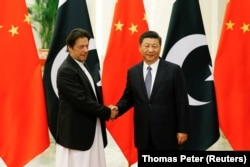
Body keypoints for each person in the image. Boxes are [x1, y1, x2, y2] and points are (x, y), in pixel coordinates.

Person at [112, 30, 189, 161]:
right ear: (140, 48)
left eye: (154, 46)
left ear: (160, 48)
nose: (150, 50)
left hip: (167, 134)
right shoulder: (133, 72)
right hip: (143, 135)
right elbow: (129, 98)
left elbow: (182, 101)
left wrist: (183, 129)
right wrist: (116, 109)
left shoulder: (173, 70)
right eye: (146, 46)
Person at [55, 28, 118, 167]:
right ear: (70, 48)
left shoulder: (82, 65)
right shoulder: (66, 70)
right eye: (81, 47)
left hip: (91, 129)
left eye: (87, 46)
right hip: (77, 134)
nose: (85, 50)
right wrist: (107, 112)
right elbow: (81, 101)